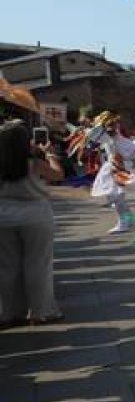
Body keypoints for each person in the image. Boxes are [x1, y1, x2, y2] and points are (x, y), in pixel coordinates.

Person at [0, 121, 64, 329]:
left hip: (4, 213)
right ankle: (41, 311)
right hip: (35, 214)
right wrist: (50, 154)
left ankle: (9, 313)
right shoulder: (33, 163)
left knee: (8, 266)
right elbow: (58, 175)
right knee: (38, 264)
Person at [88, 111, 135, 233]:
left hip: (119, 169)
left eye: (114, 125)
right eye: (109, 125)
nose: (111, 127)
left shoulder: (118, 138)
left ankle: (125, 222)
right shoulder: (106, 137)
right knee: (115, 197)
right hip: (112, 169)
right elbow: (93, 135)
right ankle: (127, 221)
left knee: (116, 197)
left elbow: (132, 152)